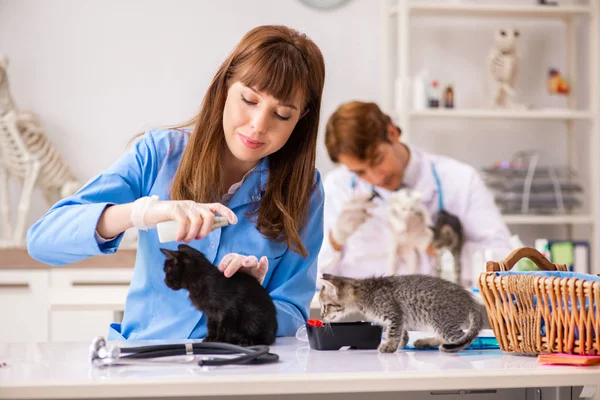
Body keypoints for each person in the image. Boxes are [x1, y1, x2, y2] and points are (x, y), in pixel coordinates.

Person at [27, 25, 326, 340]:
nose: (257, 126)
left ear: (301, 118)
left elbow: (292, 312)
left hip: (236, 374)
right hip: (147, 369)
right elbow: (43, 241)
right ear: (225, 86)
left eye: (281, 115)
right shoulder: (159, 154)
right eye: (249, 100)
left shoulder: (304, 190)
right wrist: (141, 213)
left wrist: (246, 297)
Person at [318, 101, 511, 284]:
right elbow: (311, 277)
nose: (376, 179)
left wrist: (432, 244)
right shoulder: (338, 187)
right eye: (360, 172)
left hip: (438, 312)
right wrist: (336, 239)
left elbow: (503, 261)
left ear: (392, 133)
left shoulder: (459, 180)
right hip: (362, 315)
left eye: (377, 160)